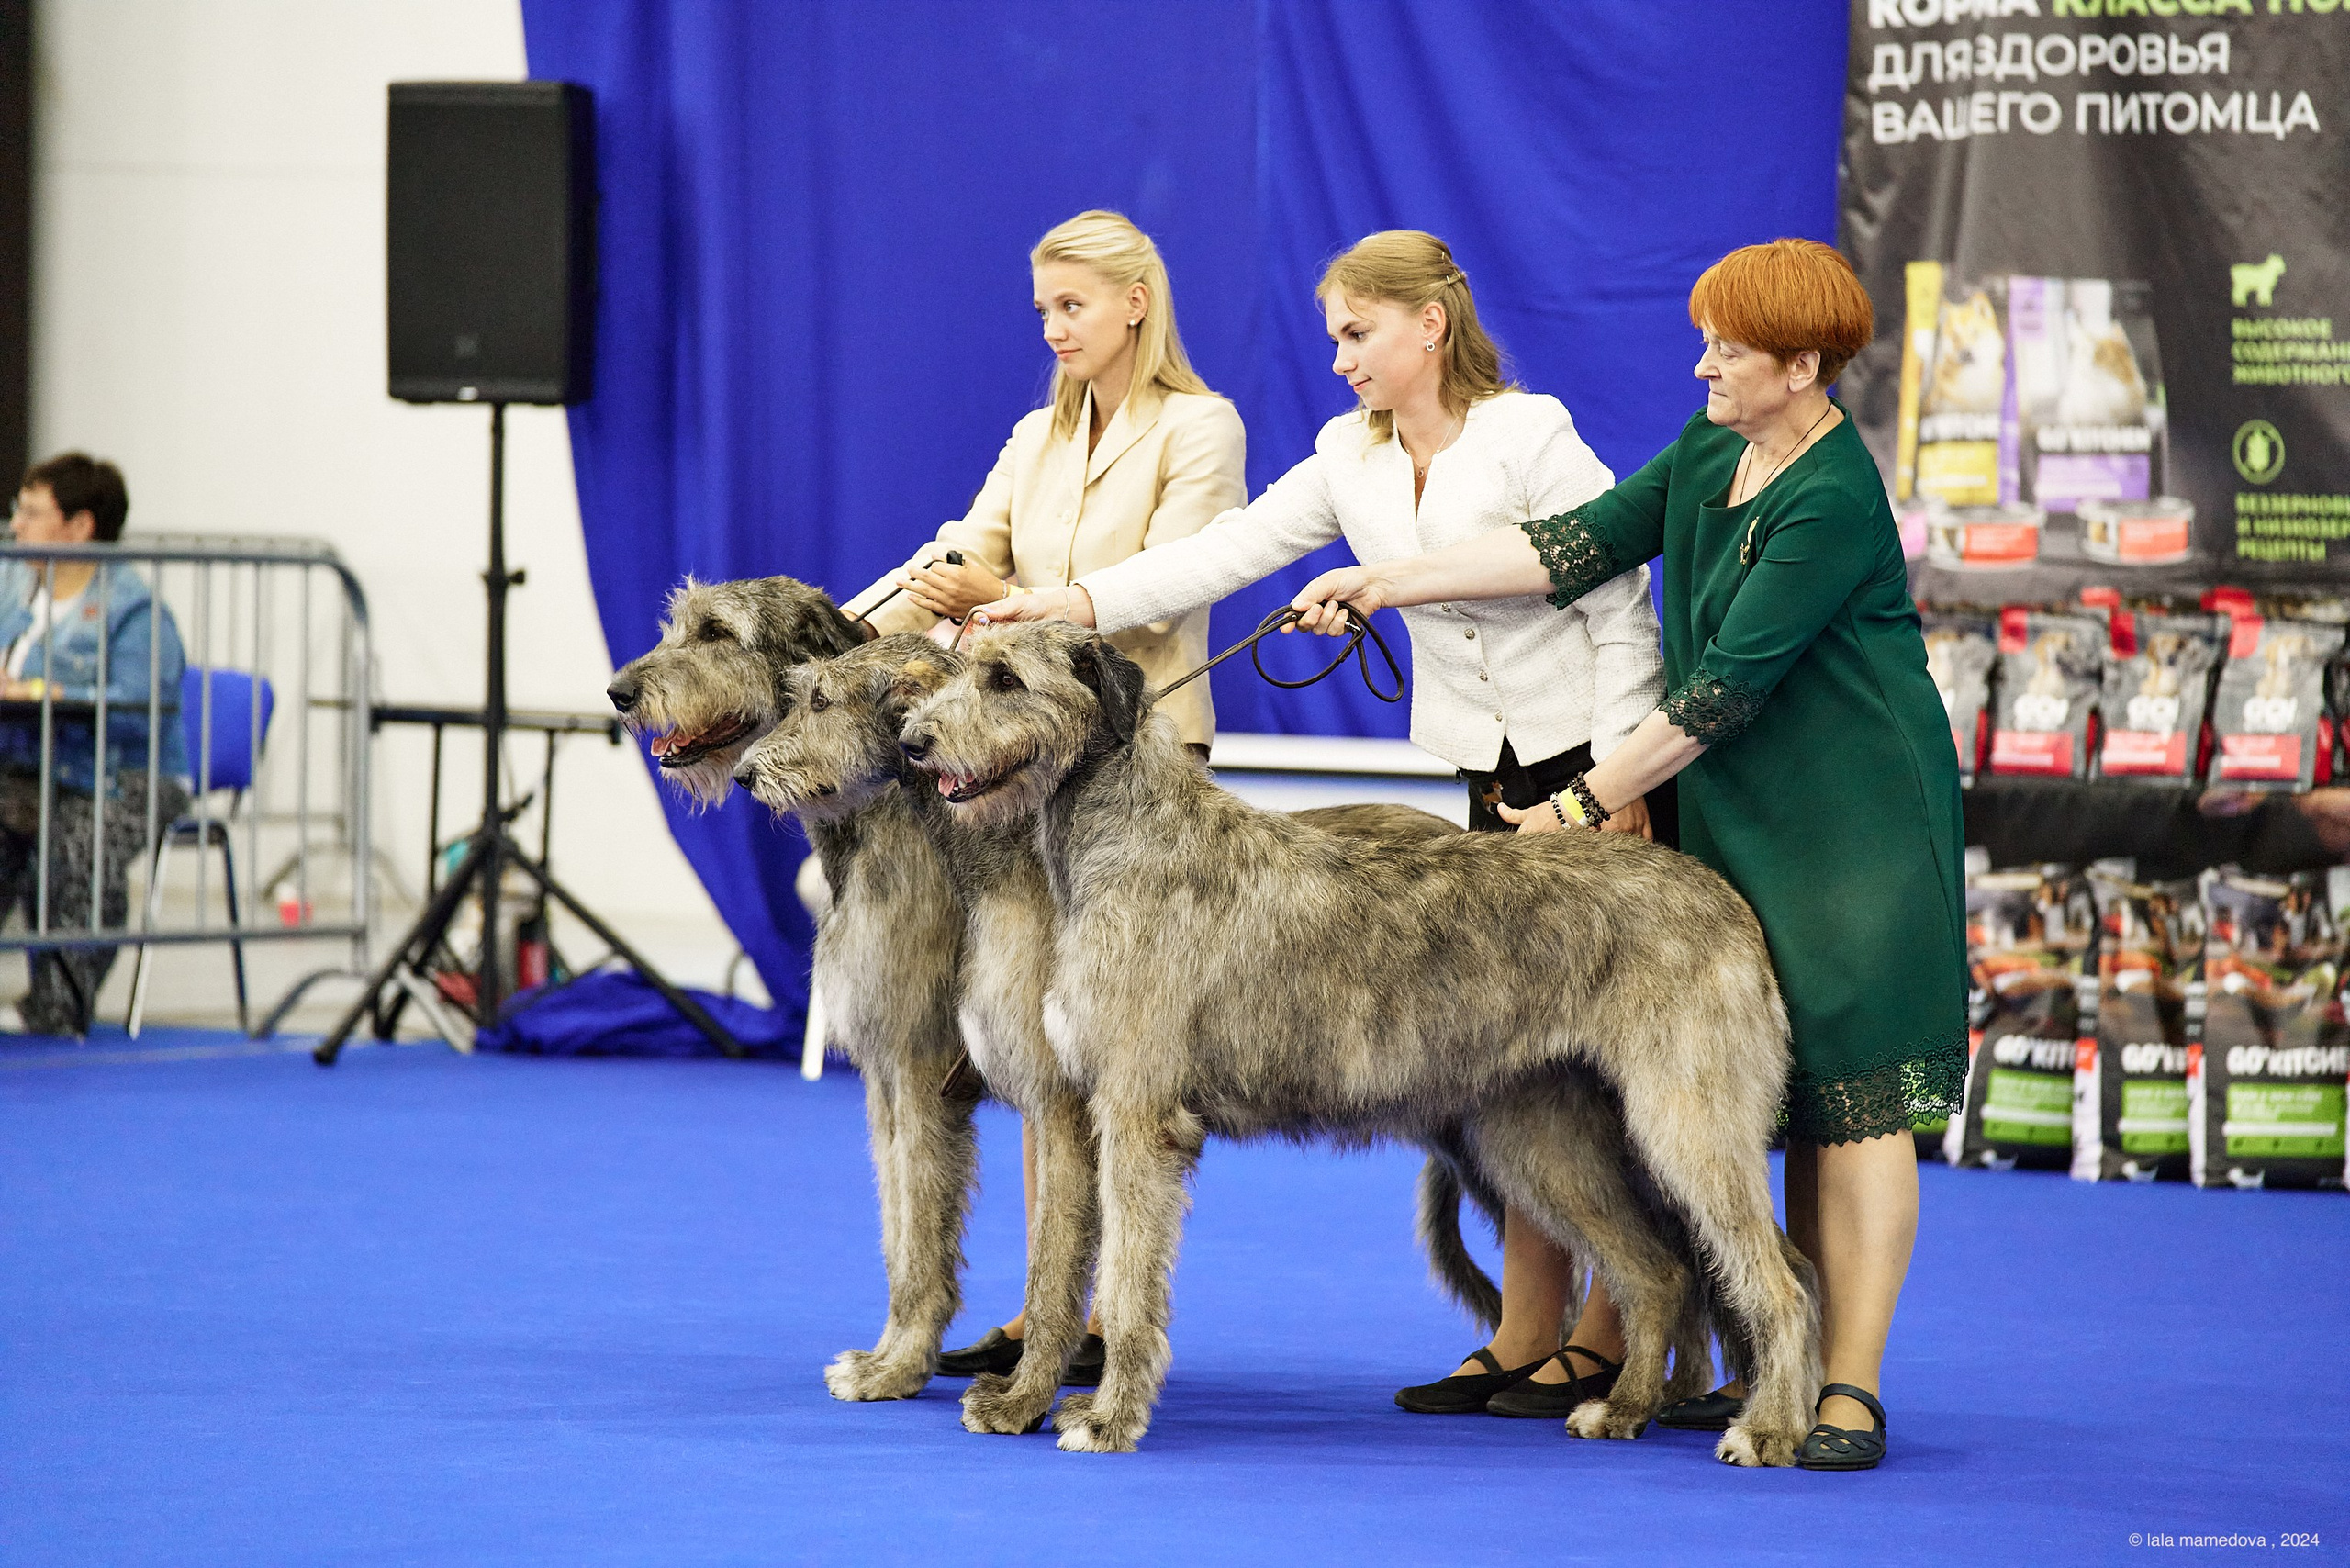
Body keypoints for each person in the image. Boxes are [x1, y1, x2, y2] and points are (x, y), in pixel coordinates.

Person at [1287, 238, 1966, 1472]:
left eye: (1730, 348)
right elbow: (1576, 545)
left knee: (1855, 1104)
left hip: (1850, 817)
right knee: (1791, 1089)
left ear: (1802, 366)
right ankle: (1774, 1365)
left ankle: (1849, 1389)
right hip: (1738, 806)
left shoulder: (1830, 494)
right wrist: (1391, 582)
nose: (1703, 362)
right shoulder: (1716, 444)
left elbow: (1719, 693)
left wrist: (1573, 807)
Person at [977, 229, 1673, 1419]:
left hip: (1588, 763)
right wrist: (1075, 602)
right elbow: (1223, 552)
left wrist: (1618, 785)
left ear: (1429, 328)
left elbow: (1618, 601)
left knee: (1598, 1059)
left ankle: (1620, 1332)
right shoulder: (1346, 458)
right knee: (1509, 1068)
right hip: (1484, 777)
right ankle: (1522, 1332)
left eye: (1358, 333)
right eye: (1336, 337)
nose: (1341, 358)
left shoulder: (1529, 433)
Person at [841, 209, 1247, 1380]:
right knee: (1035, 1050)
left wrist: (1006, 593)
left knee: (1122, 1064)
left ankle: (1116, 1312)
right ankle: (1047, 1307)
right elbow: (948, 557)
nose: (1054, 328)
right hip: (1020, 787)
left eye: (1072, 306)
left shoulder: (1198, 428)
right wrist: (830, 643)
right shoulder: (1036, 433)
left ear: (1136, 302)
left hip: (1142, 774)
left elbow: (1162, 597)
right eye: (1043, 312)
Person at [1, 453, 189, 1038]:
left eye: (32, 513)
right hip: (29, 765)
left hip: (123, 773)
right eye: (17, 511)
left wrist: (44, 690)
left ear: (81, 527)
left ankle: (60, 1002)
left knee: (75, 839)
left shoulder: (135, 609)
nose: (15, 527)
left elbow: (140, 702)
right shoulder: (11, 586)